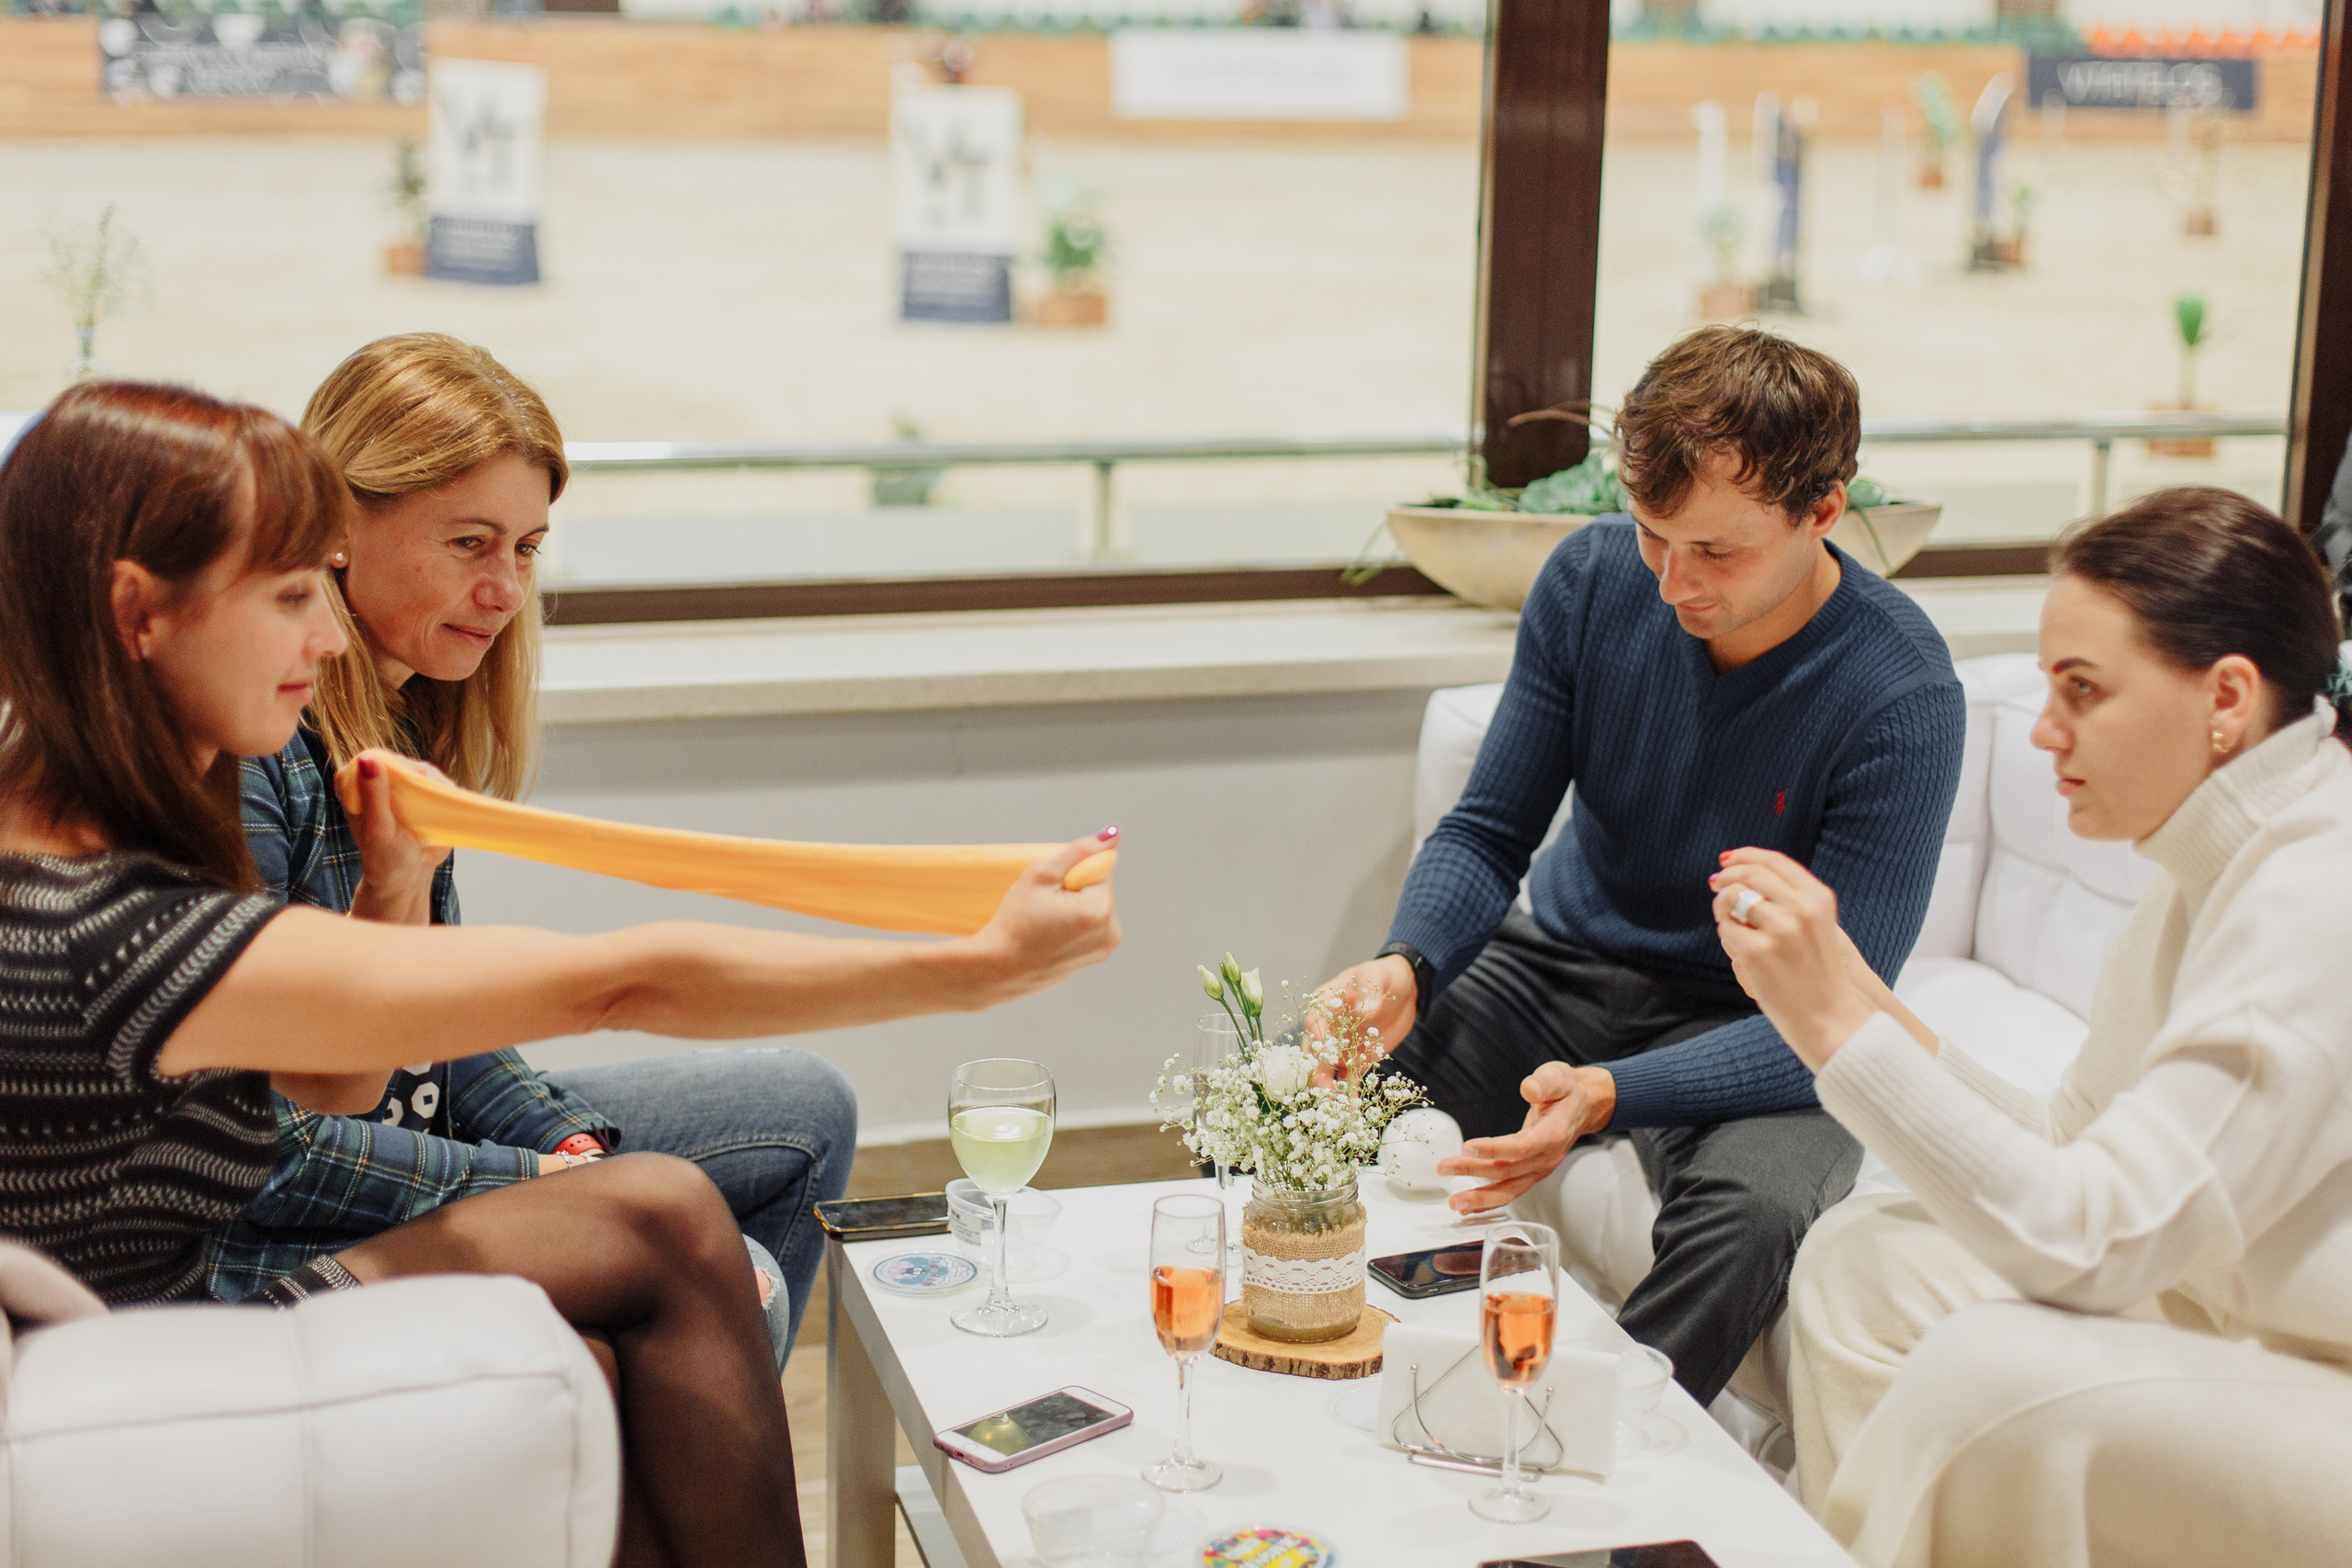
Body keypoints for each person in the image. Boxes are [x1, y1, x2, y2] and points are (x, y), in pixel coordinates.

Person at [0, 379, 1119, 1567]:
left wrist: (393, 891)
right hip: (154, 1349)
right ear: (140, 612)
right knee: (662, 1218)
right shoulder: (107, 921)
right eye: (287, 597)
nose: (321, 636)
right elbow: (619, 981)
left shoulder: (61, 804)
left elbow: (330, 1081)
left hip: (134, 1308)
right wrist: (973, 966)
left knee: (648, 1237)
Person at [1320, 325, 1967, 1407]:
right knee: (1298, 1108)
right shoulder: (1586, 583)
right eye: (1650, 535)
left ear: (1821, 511)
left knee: (1754, 1221)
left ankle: (1578, 1457)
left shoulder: (1899, 696)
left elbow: (1837, 1019)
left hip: (1759, 1024)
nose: (1672, 582)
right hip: (1559, 966)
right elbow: (1487, 830)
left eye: (1716, 551)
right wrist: (1410, 964)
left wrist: (1613, 1094)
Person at [1712, 486, 2352, 1567]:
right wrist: (1856, 994)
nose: (2043, 731)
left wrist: (1832, 1031)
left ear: (2227, 700)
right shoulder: (2206, 862)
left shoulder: (2311, 899)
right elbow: (2074, 1137)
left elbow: (2089, 1244)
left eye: (2082, 690)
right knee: (1868, 1260)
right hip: (2218, 1314)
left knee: (1985, 1375)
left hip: (2320, 1382)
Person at [202, 334, 853, 1365]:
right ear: (334, 530)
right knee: (725, 1270)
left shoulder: (404, 720)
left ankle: (668, 1477)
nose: (506, 590)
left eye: (526, 548)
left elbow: (441, 1027)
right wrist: (541, 1189)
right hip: (275, 1238)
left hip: (403, 1149)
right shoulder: (252, 757)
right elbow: (265, 1151)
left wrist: (568, 1144)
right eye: (470, 543)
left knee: (807, 1104)